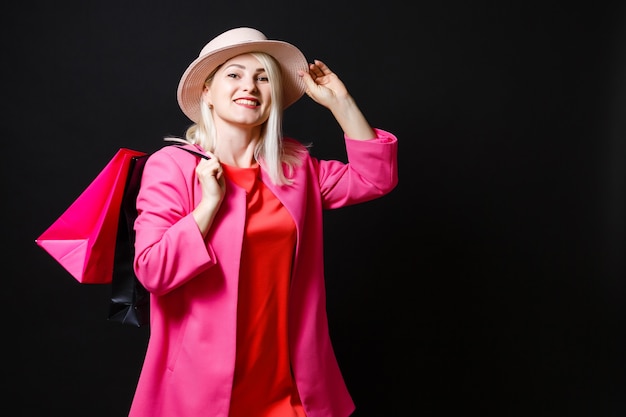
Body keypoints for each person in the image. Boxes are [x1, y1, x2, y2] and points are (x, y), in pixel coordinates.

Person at [128, 27, 398, 417]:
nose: (249, 87)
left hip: (287, 385)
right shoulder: (171, 166)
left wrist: (341, 102)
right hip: (200, 389)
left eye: (263, 78)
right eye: (234, 75)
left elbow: (376, 178)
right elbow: (153, 272)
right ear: (207, 90)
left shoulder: (294, 167)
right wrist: (208, 206)